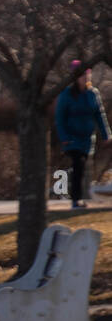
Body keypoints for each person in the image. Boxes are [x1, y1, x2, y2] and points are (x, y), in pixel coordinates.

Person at [55, 60, 111, 209]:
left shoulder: (93, 94)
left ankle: (78, 197)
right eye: (82, 76)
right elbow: (59, 118)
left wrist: (106, 134)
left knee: (82, 167)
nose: (85, 79)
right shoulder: (66, 95)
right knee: (78, 166)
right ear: (75, 77)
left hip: (87, 139)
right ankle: (76, 200)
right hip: (72, 139)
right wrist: (64, 137)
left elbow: (100, 115)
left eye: (87, 76)